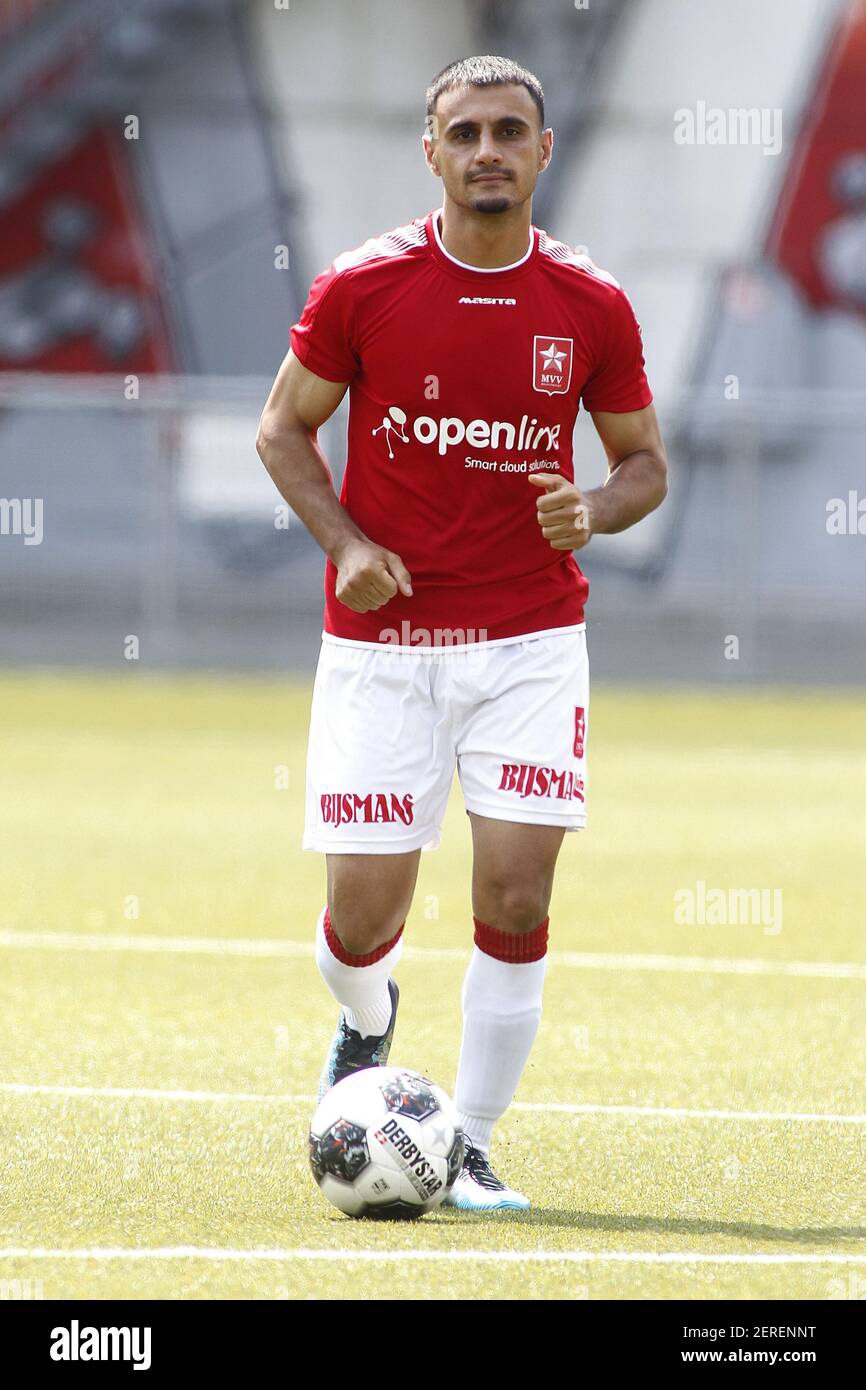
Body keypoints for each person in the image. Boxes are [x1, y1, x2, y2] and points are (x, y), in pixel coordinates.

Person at [257, 55, 668, 1211]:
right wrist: (344, 544)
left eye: (508, 131)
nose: (486, 149)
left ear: (541, 152)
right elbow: (281, 431)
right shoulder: (361, 286)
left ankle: (468, 1142)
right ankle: (366, 1016)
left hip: (530, 642)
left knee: (516, 895)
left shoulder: (588, 302)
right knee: (362, 916)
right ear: (430, 152)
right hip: (383, 648)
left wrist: (587, 508)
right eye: (464, 131)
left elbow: (644, 465)